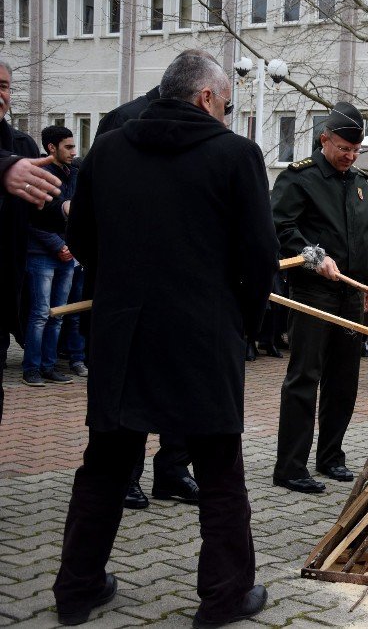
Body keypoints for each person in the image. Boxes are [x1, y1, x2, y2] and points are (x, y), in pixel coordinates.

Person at [52, 51, 277, 627]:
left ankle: (77, 589)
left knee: (104, 463)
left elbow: (82, 236)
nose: (226, 113)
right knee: (220, 470)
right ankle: (224, 596)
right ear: (206, 98)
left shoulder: (109, 149)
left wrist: (121, 292)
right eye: (225, 103)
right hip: (204, 337)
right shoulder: (236, 154)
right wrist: (243, 327)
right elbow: (260, 258)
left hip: (123, 333)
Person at [93, 50, 219, 510]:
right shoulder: (120, 123)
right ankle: (128, 475)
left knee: (181, 387)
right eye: (222, 102)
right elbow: (96, 213)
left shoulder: (216, 141)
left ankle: (172, 470)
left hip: (188, 295)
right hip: (133, 291)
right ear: (202, 94)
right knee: (135, 390)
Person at [271, 102, 368, 494]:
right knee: (305, 377)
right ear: (324, 139)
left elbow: (367, 239)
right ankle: (291, 466)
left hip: (351, 294)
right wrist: (313, 256)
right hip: (313, 291)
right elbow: (279, 225)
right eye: (343, 148)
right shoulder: (300, 178)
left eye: (355, 149)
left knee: (344, 380)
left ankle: (331, 456)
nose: (349, 156)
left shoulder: (361, 182)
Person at [1, 59, 63, 424]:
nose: (1, 94)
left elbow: (39, 207)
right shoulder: (11, 155)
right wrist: (5, 169)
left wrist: (69, 209)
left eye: (5, 86)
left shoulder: (20, 143)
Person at [20, 126, 80, 388]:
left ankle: (49, 365)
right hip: (42, 255)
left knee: (58, 314)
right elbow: (32, 221)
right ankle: (31, 368)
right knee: (40, 315)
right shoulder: (40, 176)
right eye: (68, 146)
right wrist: (59, 245)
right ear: (51, 148)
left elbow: (75, 215)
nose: (74, 151)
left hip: (66, 255)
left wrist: (71, 246)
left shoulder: (73, 175)